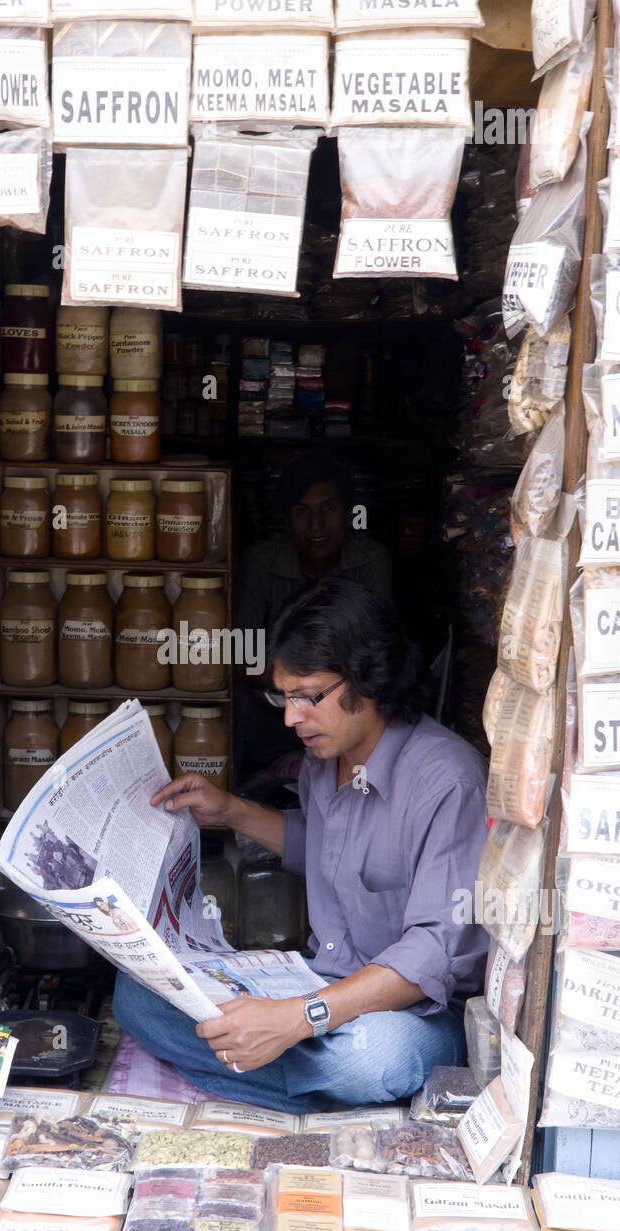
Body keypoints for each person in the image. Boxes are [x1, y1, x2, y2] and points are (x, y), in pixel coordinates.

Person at [113, 577, 488, 1114]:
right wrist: (232, 810)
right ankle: (306, 1079)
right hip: (319, 980)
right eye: (281, 697)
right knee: (138, 996)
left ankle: (285, 1069)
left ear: (369, 678)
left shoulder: (448, 781)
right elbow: (326, 846)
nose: (291, 717)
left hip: (412, 1013)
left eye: (307, 696)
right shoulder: (323, 761)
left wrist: (298, 1018)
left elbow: (434, 952)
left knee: (374, 1060)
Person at [234, 451, 393, 778]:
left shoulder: (372, 559)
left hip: (350, 708)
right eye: (302, 512)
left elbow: (382, 655)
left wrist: (322, 693)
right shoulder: (262, 560)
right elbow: (241, 655)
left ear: (349, 513)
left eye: (329, 509)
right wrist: (301, 695)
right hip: (275, 706)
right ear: (286, 520)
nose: (316, 526)